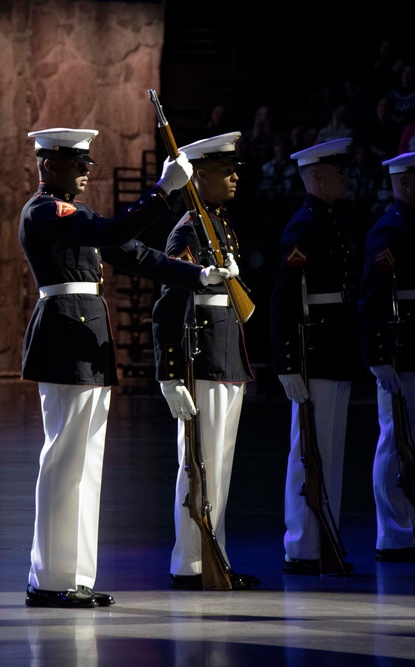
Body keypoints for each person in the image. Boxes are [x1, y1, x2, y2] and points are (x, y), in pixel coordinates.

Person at [19, 127, 236, 608]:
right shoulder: (46, 210)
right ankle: (49, 577)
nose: (84, 173)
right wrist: (162, 191)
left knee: (86, 464)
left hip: (87, 340)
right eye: (76, 165)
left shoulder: (78, 214)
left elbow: (135, 255)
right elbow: (113, 234)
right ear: (49, 164)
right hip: (63, 338)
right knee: (64, 461)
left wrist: (196, 275)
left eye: (85, 165)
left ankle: (73, 574)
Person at [150, 131, 260, 591]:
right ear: (201, 178)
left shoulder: (217, 224)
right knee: (199, 463)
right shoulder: (190, 229)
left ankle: (214, 555)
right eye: (225, 171)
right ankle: (191, 563)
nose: (235, 177)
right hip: (204, 358)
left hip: (225, 355)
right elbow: (169, 304)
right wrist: (171, 374)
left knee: (219, 465)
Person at [271, 137, 359, 575]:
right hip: (316, 352)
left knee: (329, 451)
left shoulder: (329, 220)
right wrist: (287, 363)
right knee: (310, 449)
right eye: (338, 171)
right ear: (317, 177)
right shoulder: (304, 225)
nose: (346, 178)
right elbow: (286, 297)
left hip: (335, 348)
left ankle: (324, 536)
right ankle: (303, 545)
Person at [358, 147, 415, 563]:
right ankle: (395, 534)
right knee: (396, 443)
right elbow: (373, 298)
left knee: (414, 444)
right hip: (401, 352)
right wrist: (378, 357)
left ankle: (410, 527)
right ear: (404, 184)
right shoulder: (389, 230)